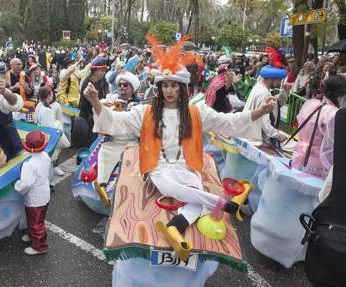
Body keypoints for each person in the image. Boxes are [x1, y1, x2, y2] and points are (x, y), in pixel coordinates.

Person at [83, 36, 276, 260]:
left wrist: (260, 112)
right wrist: (96, 102)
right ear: (159, 87)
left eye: (174, 85)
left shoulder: (197, 111)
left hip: (187, 167)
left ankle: (177, 225)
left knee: (195, 193)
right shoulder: (145, 112)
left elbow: (228, 122)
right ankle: (226, 203)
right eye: (165, 85)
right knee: (172, 187)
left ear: (182, 88)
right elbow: (116, 121)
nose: (169, 90)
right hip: (159, 169)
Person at [94, 71, 141, 205]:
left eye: (126, 85)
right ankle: (102, 185)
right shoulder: (111, 100)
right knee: (104, 152)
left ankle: (129, 194)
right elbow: (100, 106)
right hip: (115, 140)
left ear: (133, 88)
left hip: (131, 141)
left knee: (132, 159)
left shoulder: (139, 105)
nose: (121, 87)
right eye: (120, 84)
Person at [292, 75, 346, 179]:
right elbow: (331, 146)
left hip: (298, 155)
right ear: (340, 95)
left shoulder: (310, 104)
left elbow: (299, 121)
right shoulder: (334, 113)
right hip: (317, 163)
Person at [15, 129, 51, 255]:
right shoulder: (45, 156)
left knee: (36, 222)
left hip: (35, 199)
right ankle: (32, 236)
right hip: (44, 194)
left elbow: (25, 184)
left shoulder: (29, 165)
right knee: (37, 220)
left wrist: (17, 186)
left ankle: (40, 246)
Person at [243, 62, 290, 145]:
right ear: (272, 78)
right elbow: (265, 124)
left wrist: (285, 92)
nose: (279, 83)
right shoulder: (264, 93)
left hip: (248, 135)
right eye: (279, 80)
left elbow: (276, 103)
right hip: (255, 141)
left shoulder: (259, 86)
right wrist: (278, 135)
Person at [35, 87, 69, 176]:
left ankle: (55, 167)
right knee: (50, 153)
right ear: (49, 95)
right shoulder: (44, 108)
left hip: (46, 133)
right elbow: (49, 126)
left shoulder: (52, 105)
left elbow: (60, 120)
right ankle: (49, 172)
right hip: (49, 134)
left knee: (54, 153)